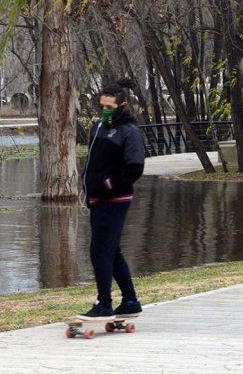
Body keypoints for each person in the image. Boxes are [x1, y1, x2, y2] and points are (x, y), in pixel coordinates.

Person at [78, 78, 145, 321]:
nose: (104, 112)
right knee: (111, 251)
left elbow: (135, 167)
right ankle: (130, 301)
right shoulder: (98, 127)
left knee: (99, 251)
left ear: (123, 105)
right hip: (97, 199)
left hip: (114, 200)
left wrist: (110, 184)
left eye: (109, 108)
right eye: (102, 107)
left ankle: (104, 303)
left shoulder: (129, 132)